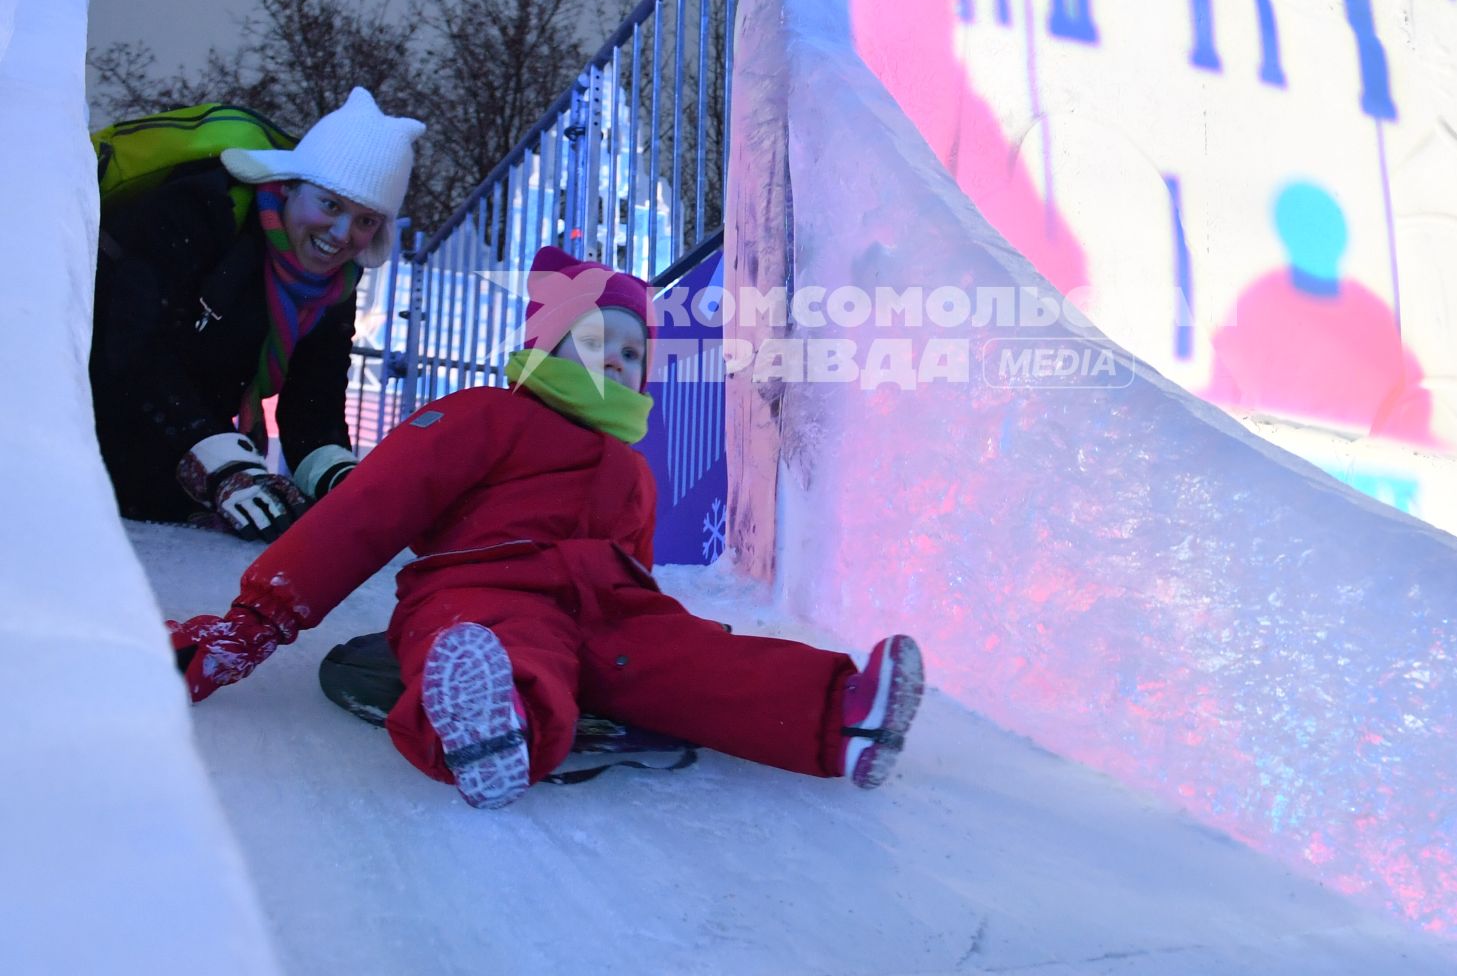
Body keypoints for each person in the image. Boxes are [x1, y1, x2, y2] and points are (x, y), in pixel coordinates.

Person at [165, 247, 926, 809]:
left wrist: (649, 625)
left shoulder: (632, 471)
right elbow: (365, 514)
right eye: (599, 342)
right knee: (495, 644)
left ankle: (840, 715)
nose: (621, 362)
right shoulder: (486, 416)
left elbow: (636, 569)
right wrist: (259, 617)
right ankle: (492, 728)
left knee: (694, 657)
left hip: (609, 610)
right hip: (480, 588)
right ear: (546, 345)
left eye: (633, 353)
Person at [90, 87, 425, 541]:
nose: (342, 235)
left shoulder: (334, 285)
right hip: (81, 433)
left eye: (366, 221)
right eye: (331, 205)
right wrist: (222, 463)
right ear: (289, 185)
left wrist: (345, 487)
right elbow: (136, 355)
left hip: (176, 461)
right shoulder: (196, 213)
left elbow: (313, 403)